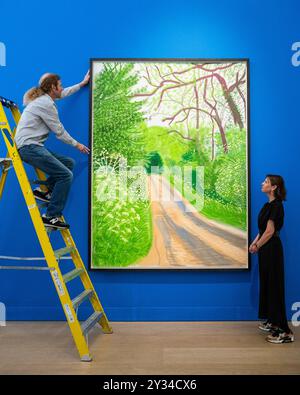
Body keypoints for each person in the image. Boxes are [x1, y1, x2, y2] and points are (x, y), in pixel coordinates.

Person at [15, 72, 90, 229]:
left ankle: (47, 192)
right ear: (52, 87)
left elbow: (64, 93)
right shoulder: (46, 104)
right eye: (60, 85)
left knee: (69, 163)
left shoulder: (44, 99)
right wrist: (78, 145)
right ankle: (51, 216)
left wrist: (82, 84)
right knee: (66, 175)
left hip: (33, 145)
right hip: (29, 147)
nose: (62, 88)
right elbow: (59, 132)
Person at [249, 175, 294, 343]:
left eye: (266, 182)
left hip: (272, 249)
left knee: (274, 287)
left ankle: (285, 332)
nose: (263, 183)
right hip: (265, 249)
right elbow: (262, 230)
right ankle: (273, 322)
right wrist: (255, 243)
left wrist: (257, 245)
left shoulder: (277, 206)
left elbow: (270, 232)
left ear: (274, 187)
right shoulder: (267, 205)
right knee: (268, 285)